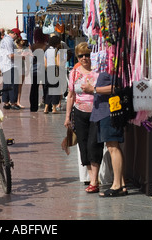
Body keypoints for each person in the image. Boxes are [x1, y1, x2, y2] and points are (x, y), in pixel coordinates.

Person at [82, 70, 127, 197]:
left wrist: (94, 89)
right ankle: (121, 184)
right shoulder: (105, 64)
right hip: (103, 112)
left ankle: (117, 185)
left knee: (113, 147)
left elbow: (116, 87)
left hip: (110, 111)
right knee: (113, 146)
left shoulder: (113, 64)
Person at [64, 43, 102, 193]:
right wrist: (67, 117)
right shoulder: (74, 73)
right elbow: (70, 96)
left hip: (96, 111)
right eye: (81, 56)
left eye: (87, 54)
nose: (84, 58)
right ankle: (93, 179)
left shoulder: (98, 72)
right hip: (79, 112)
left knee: (95, 144)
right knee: (83, 145)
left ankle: (94, 180)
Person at [0, 28, 21, 110]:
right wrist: (22, 56)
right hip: (10, 65)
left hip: (5, 65)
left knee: (6, 84)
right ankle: (13, 103)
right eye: (17, 36)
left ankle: (6, 102)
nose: (17, 38)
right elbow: (10, 55)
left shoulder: (4, 39)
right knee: (13, 85)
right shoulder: (9, 41)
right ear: (14, 34)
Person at [29, 28, 48, 112]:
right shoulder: (46, 46)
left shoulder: (33, 46)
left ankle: (33, 107)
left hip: (35, 69)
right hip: (44, 68)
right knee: (46, 88)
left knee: (34, 88)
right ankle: (48, 106)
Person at [44, 35, 61, 114]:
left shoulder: (46, 51)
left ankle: (46, 107)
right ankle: (54, 108)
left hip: (48, 71)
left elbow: (45, 64)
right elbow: (58, 63)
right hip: (55, 70)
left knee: (48, 89)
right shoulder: (57, 51)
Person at [15, 33, 31, 109]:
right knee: (14, 85)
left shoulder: (26, 48)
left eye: (25, 40)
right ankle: (13, 101)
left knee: (20, 86)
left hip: (22, 67)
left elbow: (27, 59)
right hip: (14, 68)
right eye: (22, 40)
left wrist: (27, 69)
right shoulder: (14, 46)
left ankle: (18, 101)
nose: (23, 42)